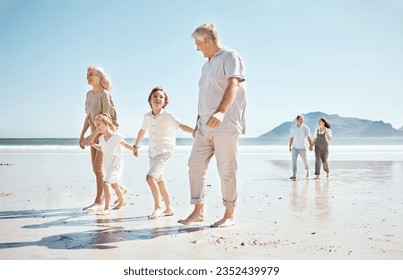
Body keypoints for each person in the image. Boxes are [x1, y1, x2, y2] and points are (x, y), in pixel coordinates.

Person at [178, 23, 247, 228]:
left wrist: (221, 111)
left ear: (206, 40)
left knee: (226, 170)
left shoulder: (230, 56)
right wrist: (198, 119)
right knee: (194, 166)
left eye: (198, 44)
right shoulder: (206, 65)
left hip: (224, 123)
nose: (197, 48)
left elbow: (233, 84)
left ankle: (229, 215)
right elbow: (205, 93)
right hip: (204, 126)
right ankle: (198, 212)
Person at [133, 86, 194, 219]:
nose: (158, 98)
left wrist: (195, 131)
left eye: (161, 97)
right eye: (155, 96)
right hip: (152, 152)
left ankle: (158, 207)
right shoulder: (147, 116)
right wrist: (136, 146)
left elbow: (181, 126)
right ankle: (169, 208)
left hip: (164, 151)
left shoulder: (168, 116)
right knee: (159, 181)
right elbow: (142, 131)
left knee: (150, 178)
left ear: (165, 101)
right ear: (149, 99)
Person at [79, 66, 122, 211]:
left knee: (98, 168)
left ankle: (99, 201)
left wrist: (93, 136)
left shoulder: (105, 94)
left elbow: (107, 120)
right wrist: (82, 135)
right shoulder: (89, 94)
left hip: (106, 134)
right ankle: (120, 190)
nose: (88, 76)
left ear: (99, 77)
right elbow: (88, 117)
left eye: (91, 74)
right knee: (97, 168)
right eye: (87, 74)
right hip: (94, 131)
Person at [90, 114, 136, 215]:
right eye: (95, 126)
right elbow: (102, 148)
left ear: (106, 123)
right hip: (107, 164)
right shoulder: (101, 138)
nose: (97, 128)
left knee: (106, 184)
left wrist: (134, 150)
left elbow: (126, 145)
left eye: (98, 125)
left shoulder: (116, 136)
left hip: (116, 164)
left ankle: (107, 208)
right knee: (115, 185)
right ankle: (122, 201)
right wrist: (93, 144)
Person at [289, 114, 313, 180]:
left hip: (303, 147)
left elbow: (308, 137)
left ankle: (308, 173)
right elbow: (291, 138)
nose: (301, 120)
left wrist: (310, 146)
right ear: (297, 120)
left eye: (302, 119)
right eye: (300, 119)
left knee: (305, 161)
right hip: (295, 147)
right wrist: (289, 146)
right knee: (294, 161)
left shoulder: (306, 128)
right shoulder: (293, 128)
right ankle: (294, 174)